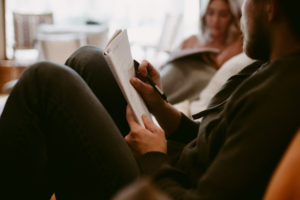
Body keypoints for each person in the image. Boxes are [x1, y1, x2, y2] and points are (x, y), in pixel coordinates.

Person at [0, 1, 300, 200]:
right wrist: (161, 108)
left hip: (162, 189)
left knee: (45, 82)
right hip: (177, 163)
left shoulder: (280, 100)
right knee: (89, 59)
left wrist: (153, 156)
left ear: (270, 7)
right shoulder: (269, 67)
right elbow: (219, 135)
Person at [179, 0, 243, 68]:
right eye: (210, 13)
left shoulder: (237, 48)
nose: (216, 20)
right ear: (204, 16)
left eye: (223, 15)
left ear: (232, 18)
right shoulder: (189, 43)